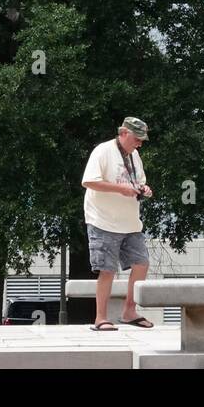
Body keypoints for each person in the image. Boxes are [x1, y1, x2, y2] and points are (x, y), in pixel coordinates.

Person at [80, 116, 154, 331]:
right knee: (107, 269)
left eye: (142, 140)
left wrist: (144, 189)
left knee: (142, 264)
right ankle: (100, 318)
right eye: (136, 138)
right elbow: (89, 181)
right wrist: (120, 189)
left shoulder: (135, 155)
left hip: (130, 222)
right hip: (103, 220)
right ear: (123, 133)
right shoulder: (103, 151)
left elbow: (138, 181)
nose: (139, 143)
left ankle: (129, 311)